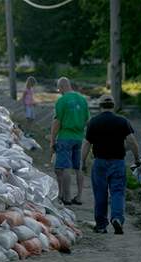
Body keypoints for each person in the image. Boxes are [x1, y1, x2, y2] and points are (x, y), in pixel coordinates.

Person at [81, 94, 141, 235]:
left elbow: (86, 144)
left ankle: (101, 225)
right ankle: (117, 218)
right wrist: (137, 159)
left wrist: (82, 162)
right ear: (113, 106)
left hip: (100, 163)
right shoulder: (122, 121)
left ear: (100, 106)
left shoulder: (93, 122)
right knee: (118, 192)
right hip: (118, 162)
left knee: (100, 194)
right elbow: (132, 141)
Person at [50, 76, 89, 206]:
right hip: (78, 138)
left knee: (65, 167)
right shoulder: (83, 100)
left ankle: (66, 197)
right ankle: (79, 196)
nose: (59, 91)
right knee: (78, 168)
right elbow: (87, 120)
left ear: (61, 87)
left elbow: (57, 122)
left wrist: (52, 139)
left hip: (65, 137)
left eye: (59, 89)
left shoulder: (62, 101)